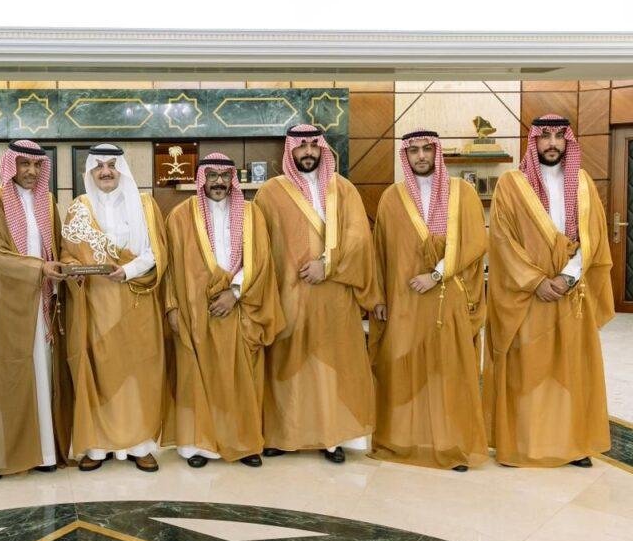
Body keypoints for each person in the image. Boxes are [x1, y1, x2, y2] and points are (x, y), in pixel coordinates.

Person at [484, 114, 614, 467]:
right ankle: (521, 444)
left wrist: (568, 276)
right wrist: (537, 281)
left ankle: (571, 445)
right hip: (528, 295)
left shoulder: (583, 183)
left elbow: (594, 236)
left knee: (570, 369)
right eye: (545, 136)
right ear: (534, 141)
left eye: (559, 136)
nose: (552, 143)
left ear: (567, 141)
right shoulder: (511, 184)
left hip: (571, 293)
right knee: (528, 369)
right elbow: (502, 240)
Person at [254, 124, 380, 463]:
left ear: (322, 148)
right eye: (302, 145)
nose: (308, 151)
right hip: (287, 298)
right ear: (290, 150)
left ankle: (332, 437)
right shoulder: (270, 193)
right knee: (287, 366)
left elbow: (358, 238)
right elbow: (259, 247)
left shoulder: (343, 189)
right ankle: (282, 436)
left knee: (331, 365)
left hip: (334, 296)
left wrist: (327, 264)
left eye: (314, 145)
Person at [369, 130, 488, 471]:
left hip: (447, 298)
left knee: (448, 372)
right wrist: (378, 296)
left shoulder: (462, 192)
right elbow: (380, 252)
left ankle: (453, 445)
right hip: (403, 300)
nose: (421, 156)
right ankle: (403, 441)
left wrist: (436, 274)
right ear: (405, 156)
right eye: (414, 151)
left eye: (426, 149)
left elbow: (474, 243)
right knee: (402, 369)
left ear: (437, 152)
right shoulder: (392, 197)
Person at [164, 153, 285, 468]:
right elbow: (170, 268)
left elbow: (260, 260)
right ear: (201, 178)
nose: (219, 182)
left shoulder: (251, 213)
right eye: (212, 175)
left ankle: (244, 443)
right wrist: (172, 307)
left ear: (233, 179)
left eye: (225, 176)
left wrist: (234, 292)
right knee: (198, 378)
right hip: (195, 312)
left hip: (239, 309)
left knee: (242, 378)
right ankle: (199, 447)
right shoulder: (180, 215)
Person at [0, 140, 73, 481]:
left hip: (42, 304)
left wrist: (67, 268)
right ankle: (0, 457)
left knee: (42, 375)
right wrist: (39, 268)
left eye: (37, 165)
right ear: (12, 166)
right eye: (24, 164)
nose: (31, 171)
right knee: (5, 380)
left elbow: (57, 248)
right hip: (4, 306)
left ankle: (44, 453)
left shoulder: (48, 202)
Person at [61, 144, 168, 473]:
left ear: (121, 169)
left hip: (136, 299)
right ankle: (98, 445)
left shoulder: (145, 204)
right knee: (99, 371)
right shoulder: (79, 208)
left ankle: (140, 445)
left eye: (111, 165)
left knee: (138, 371)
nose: (106, 172)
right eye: (99, 166)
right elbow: (67, 254)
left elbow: (156, 251)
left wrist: (128, 270)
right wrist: (73, 270)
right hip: (95, 305)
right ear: (90, 172)